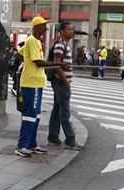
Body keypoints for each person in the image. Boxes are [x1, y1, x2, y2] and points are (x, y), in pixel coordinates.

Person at [15, 16, 65, 158]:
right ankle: (22, 145)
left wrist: (26, 63)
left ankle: (31, 144)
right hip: (32, 83)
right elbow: (38, 62)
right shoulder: (32, 41)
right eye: (43, 25)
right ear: (36, 27)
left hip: (36, 83)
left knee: (35, 115)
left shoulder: (34, 41)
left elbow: (20, 54)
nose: (45, 28)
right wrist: (58, 65)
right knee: (30, 115)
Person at [48, 21, 82, 151]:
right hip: (61, 83)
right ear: (61, 31)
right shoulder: (60, 45)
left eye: (72, 30)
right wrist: (65, 80)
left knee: (57, 109)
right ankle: (70, 139)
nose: (71, 32)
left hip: (61, 82)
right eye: (68, 30)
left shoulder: (65, 45)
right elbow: (56, 65)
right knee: (65, 111)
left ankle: (53, 137)